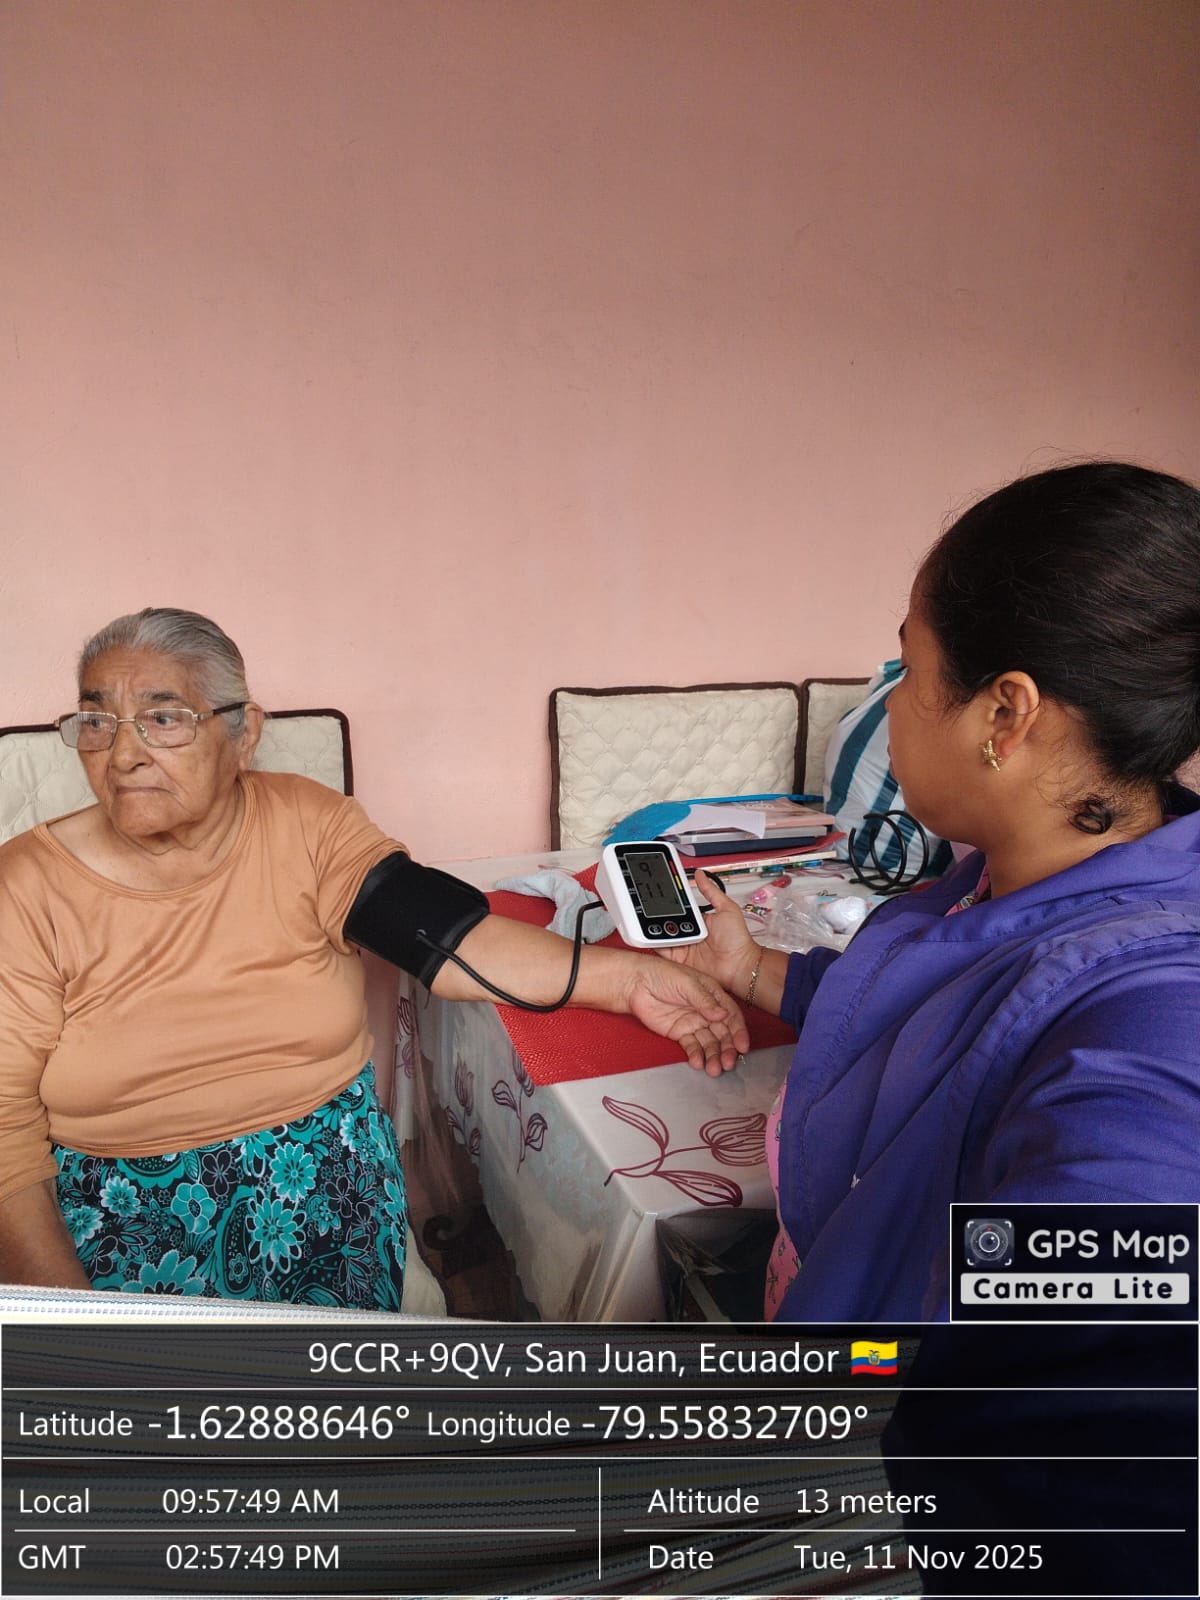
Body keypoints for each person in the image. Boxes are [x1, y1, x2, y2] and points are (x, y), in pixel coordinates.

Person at [0, 608, 747, 1307]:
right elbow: (5, 1139)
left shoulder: (307, 823)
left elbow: (451, 939)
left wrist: (631, 979)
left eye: (163, 719)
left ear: (243, 732)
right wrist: (71, 1326)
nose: (123, 754)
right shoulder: (26, 886)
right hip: (122, 1204)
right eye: (97, 722)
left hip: (320, 1170)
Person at [673, 460, 1200, 1320]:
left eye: (910, 669)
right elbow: (927, 1008)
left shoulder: (1153, 1009)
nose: (890, 706)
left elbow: (1111, 1306)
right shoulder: (1012, 876)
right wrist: (753, 968)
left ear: (1006, 716)